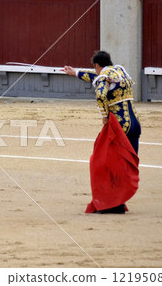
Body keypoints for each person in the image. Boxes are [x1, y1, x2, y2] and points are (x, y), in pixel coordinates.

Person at [62, 51, 141, 214]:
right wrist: (75, 72)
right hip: (135, 125)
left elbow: (100, 93)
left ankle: (114, 204)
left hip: (119, 126)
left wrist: (105, 116)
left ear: (97, 66)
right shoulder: (119, 71)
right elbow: (96, 78)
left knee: (105, 162)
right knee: (127, 163)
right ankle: (119, 201)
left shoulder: (104, 75)